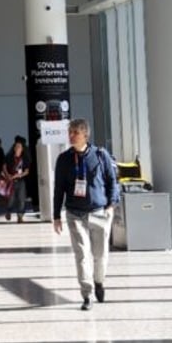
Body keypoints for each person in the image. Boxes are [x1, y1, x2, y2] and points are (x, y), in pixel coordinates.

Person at [53, 118, 120, 311]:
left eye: (75, 132)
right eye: (70, 132)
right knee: (81, 254)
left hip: (99, 212)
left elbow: (112, 181)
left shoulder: (101, 155)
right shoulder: (64, 159)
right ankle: (87, 294)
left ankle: (99, 281)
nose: (71, 135)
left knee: (100, 255)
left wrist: (111, 205)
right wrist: (56, 215)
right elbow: (59, 189)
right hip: (75, 214)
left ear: (85, 135)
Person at [3, 139, 30, 222]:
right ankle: (8, 211)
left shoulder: (25, 158)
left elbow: (27, 171)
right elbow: (3, 167)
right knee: (11, 199)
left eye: (20, 147)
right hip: (10, 181)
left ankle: (20, 216)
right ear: (14, 148)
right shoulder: (9, 157)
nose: (18, 148)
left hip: (21, 181)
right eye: (16, 146)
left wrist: (19, 175)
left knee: (21, 199)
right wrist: (7, 175)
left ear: (22, 149)